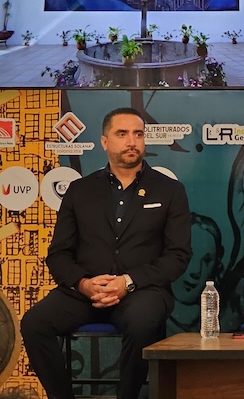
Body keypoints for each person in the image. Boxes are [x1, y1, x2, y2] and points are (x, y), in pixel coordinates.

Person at [21, 107, 191, 399]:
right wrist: (84, 284)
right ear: (104, 142)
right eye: (122, 134)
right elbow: (59, 254)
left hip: (143, 290)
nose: (132, 141)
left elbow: (178, 255)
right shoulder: (79, 190)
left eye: (138, 134)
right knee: (34, 323)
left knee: (142, 323)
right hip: (85, 292)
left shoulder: (170, 190)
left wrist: (127, 282)